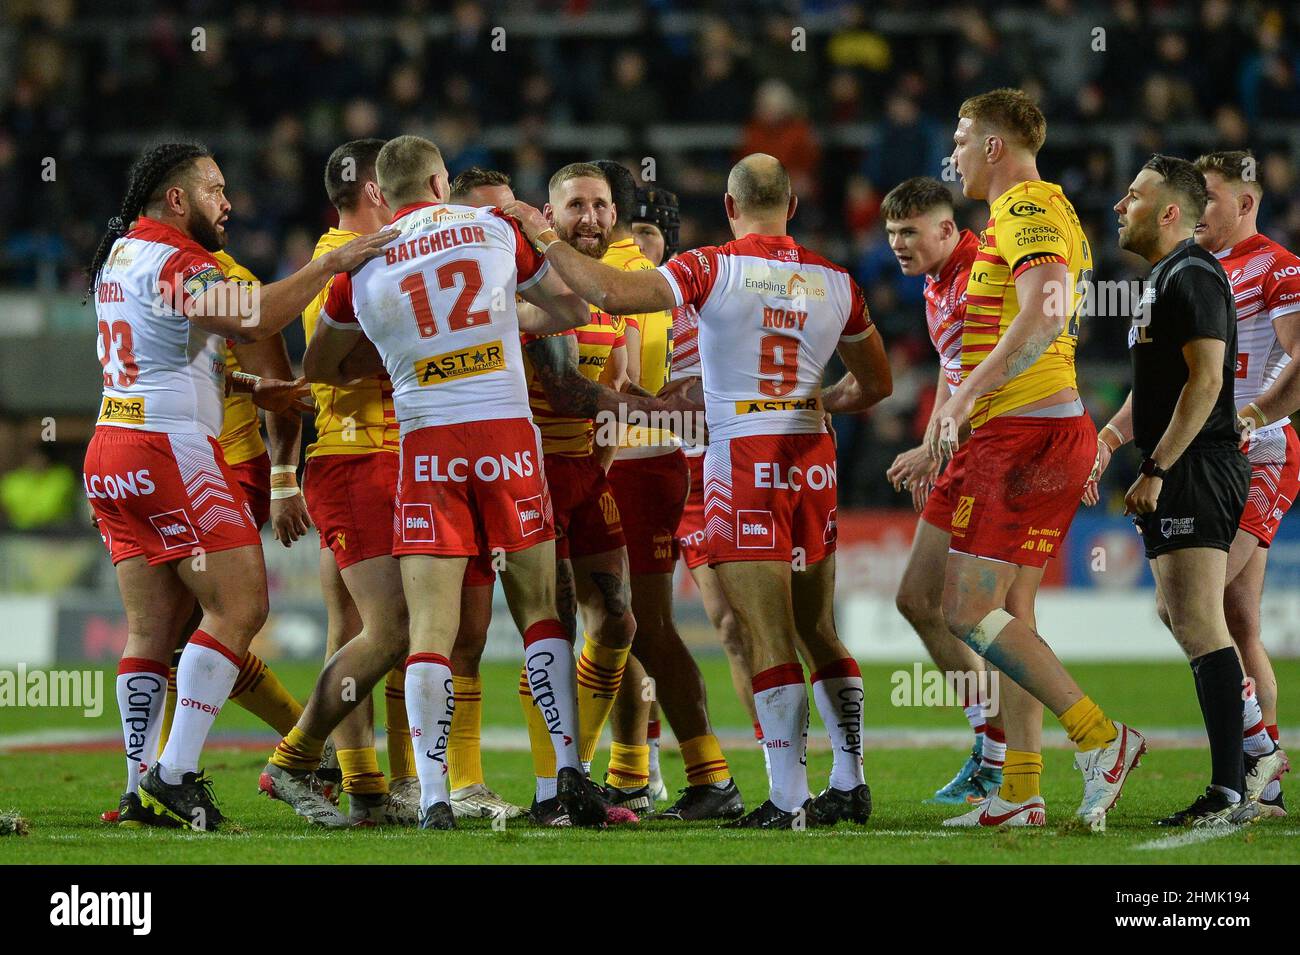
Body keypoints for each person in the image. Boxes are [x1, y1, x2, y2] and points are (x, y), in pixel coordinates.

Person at [504, 152, 893, 828]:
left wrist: (540, 235)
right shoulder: (838, 281)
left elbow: (613, 295)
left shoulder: (710, 266)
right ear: (791, 207)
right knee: (819, 628)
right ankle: (850, 780)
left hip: (742, 454)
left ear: (730, 207)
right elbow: (876, 384)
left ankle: (788, 798)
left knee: (763, 634)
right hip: (812, 457)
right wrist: (812, 402)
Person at [270, 135, 609, 830]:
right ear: (438, 181)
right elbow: (575, 310)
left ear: (382, 192)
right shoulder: (491, 227)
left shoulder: (357, 262)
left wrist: (407, 353)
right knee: (539, 611)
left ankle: (433, 798)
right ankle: (563, 777)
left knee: (425, 628)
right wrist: (498, 321)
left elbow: (321, 366)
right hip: (504, 438)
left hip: (425, 445)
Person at [86, 140, 393, 830]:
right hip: (168, 449)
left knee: (151, 630)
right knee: (241, 605)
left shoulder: (121, 255)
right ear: (177, 199)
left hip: (111, 447)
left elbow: (160, 354)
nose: (227, 204)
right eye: (215, 191)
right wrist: (328, 263)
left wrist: (252, 387)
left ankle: (139, 789)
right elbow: (251, 316)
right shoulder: (176, 260)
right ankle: (174, 774)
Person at [928, 89, 1143, 830]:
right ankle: (1021, 788)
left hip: (1026, 432)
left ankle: (1101, 737)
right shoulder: (1036, 211)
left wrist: (964, 396)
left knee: (965, 608)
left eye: (962, 139)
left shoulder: (1024, 207)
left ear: (993, 146)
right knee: (1010, 614)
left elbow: (1047, 310)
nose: (953, 154)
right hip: (1037, 429)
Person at [1095, 155, 1265, 826]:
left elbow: (1207, 381)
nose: (1119, 206)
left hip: (1196, 466)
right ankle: (1250, 760)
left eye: (1133, 196)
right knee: (1180, 614)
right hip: (1186, 464)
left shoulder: (1192, 273)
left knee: (1198, 621)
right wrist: (1113, 439)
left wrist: (1158, 468)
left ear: (1170, 212)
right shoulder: (1164, 278)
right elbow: (1160, 386)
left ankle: (1232, 787)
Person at [605, 181, 748, 821]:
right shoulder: (594, 286)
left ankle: (729, 771)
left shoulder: (683, 302)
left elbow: (697, 398)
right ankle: (635, 769)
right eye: (629, 231)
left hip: (673, 466)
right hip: (619, 461)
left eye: (649, 233)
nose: (637, 244)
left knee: (686, 625)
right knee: (617, 626)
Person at [877, 176, 1007, 805]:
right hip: (960, 451)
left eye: (910, 232)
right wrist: (935, 440)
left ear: (948, 229)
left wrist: (941, 442)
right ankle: (990, 745)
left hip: (999, 451)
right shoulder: (935, 284)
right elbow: (953, 369)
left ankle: (1012, 757)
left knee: (986, 614)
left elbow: (1008, 365)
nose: (898, 245)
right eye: (892, 234)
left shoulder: (984, 272)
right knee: (918, 600)